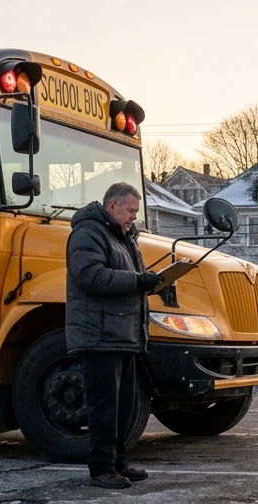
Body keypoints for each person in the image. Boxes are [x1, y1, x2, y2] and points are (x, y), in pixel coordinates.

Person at [65, 182, 163, 488]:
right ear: (112, 207)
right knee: (103, 406)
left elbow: (126, 280)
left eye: (136, 211)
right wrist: (137, 280)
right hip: (99, 335)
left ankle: (118, 462)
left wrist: (150, 282)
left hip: (122, 334)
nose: (135, 216)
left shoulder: (124, 237)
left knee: (124, 406)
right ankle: (101, 469)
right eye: (130, 210)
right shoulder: (87, 233)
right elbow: (90, 276)